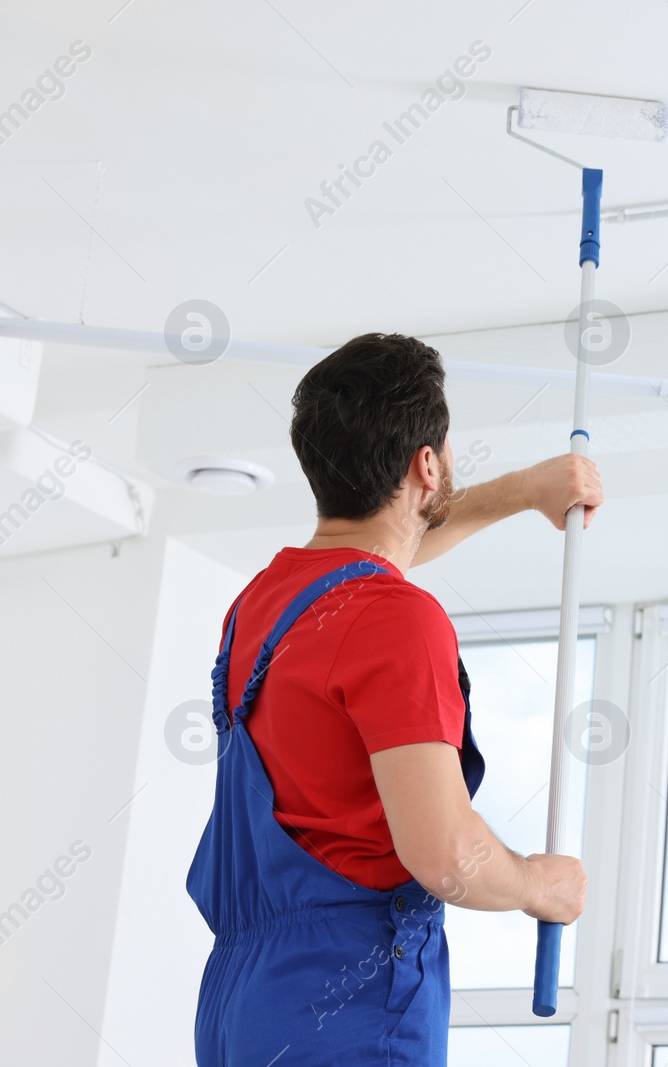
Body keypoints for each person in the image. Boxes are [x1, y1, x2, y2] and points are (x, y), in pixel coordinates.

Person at [187, 333, 599, 1065]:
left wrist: (524, 489)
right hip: (349, 1001)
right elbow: (446, 855)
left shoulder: (262, 606)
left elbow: (388, 552)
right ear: (428, 463)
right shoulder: (395, 618)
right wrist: (539, 885)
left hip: (240, 1005)